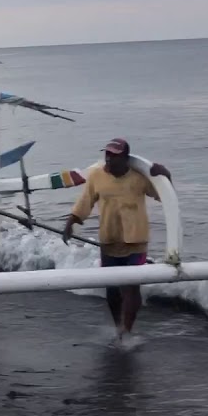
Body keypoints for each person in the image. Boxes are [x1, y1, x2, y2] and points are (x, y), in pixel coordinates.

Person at [62, 138, 172, 340]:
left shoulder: (139, 177)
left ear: (125, 158)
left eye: (114, 156)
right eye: (107, 155)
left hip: (135, 241)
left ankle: (126, 331)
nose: (109, 160)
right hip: (110, 240)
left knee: (131, 286)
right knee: (112, 289)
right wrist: (71, 222)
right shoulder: (96, 175)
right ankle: (118, 325)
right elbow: (85, 201)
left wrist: (166, 175)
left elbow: (163, 195)